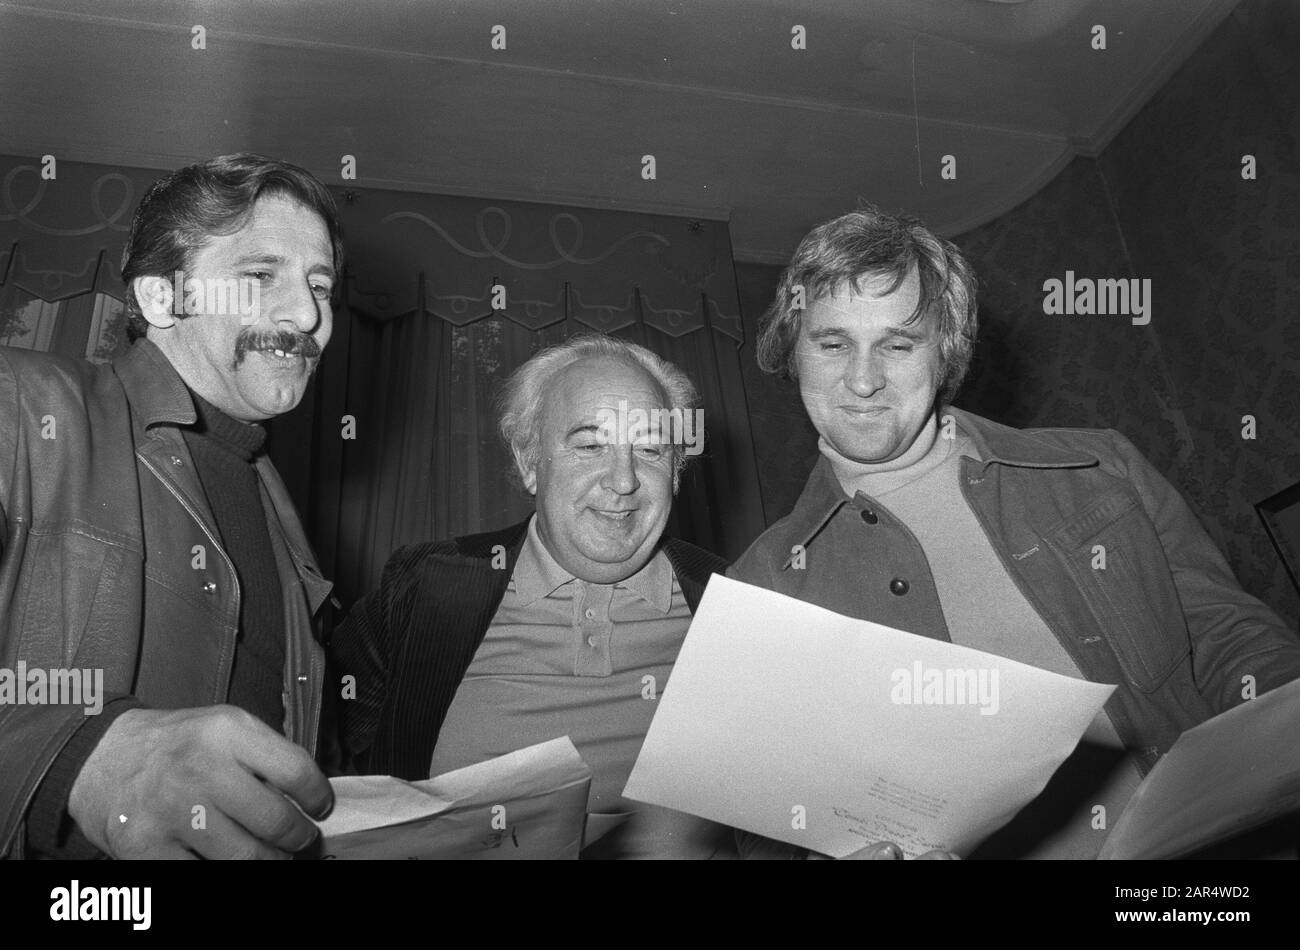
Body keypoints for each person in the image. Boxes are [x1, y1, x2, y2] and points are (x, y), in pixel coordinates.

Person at [732, 205, 1300, 859]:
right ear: (793, 355)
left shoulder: (1100, 467)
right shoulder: (762, 586)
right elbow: (772, 830)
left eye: (898, 343)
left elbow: (1231, 644)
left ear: (945, 351)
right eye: (833, 344)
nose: (864, 380)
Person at [0, 153, 343, 859]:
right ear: (161, 300)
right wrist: (77, 758)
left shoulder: (280, 515)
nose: (308, 313)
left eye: (321, 285)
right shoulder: (19, 406)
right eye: (260, 276)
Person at [330, 334, 734, 858]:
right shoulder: (426, 586)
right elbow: (320, 746)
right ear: (529, 461)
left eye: (651, 449)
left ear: (676, 472)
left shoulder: (732, 602)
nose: (624, 480)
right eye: (590, 445)